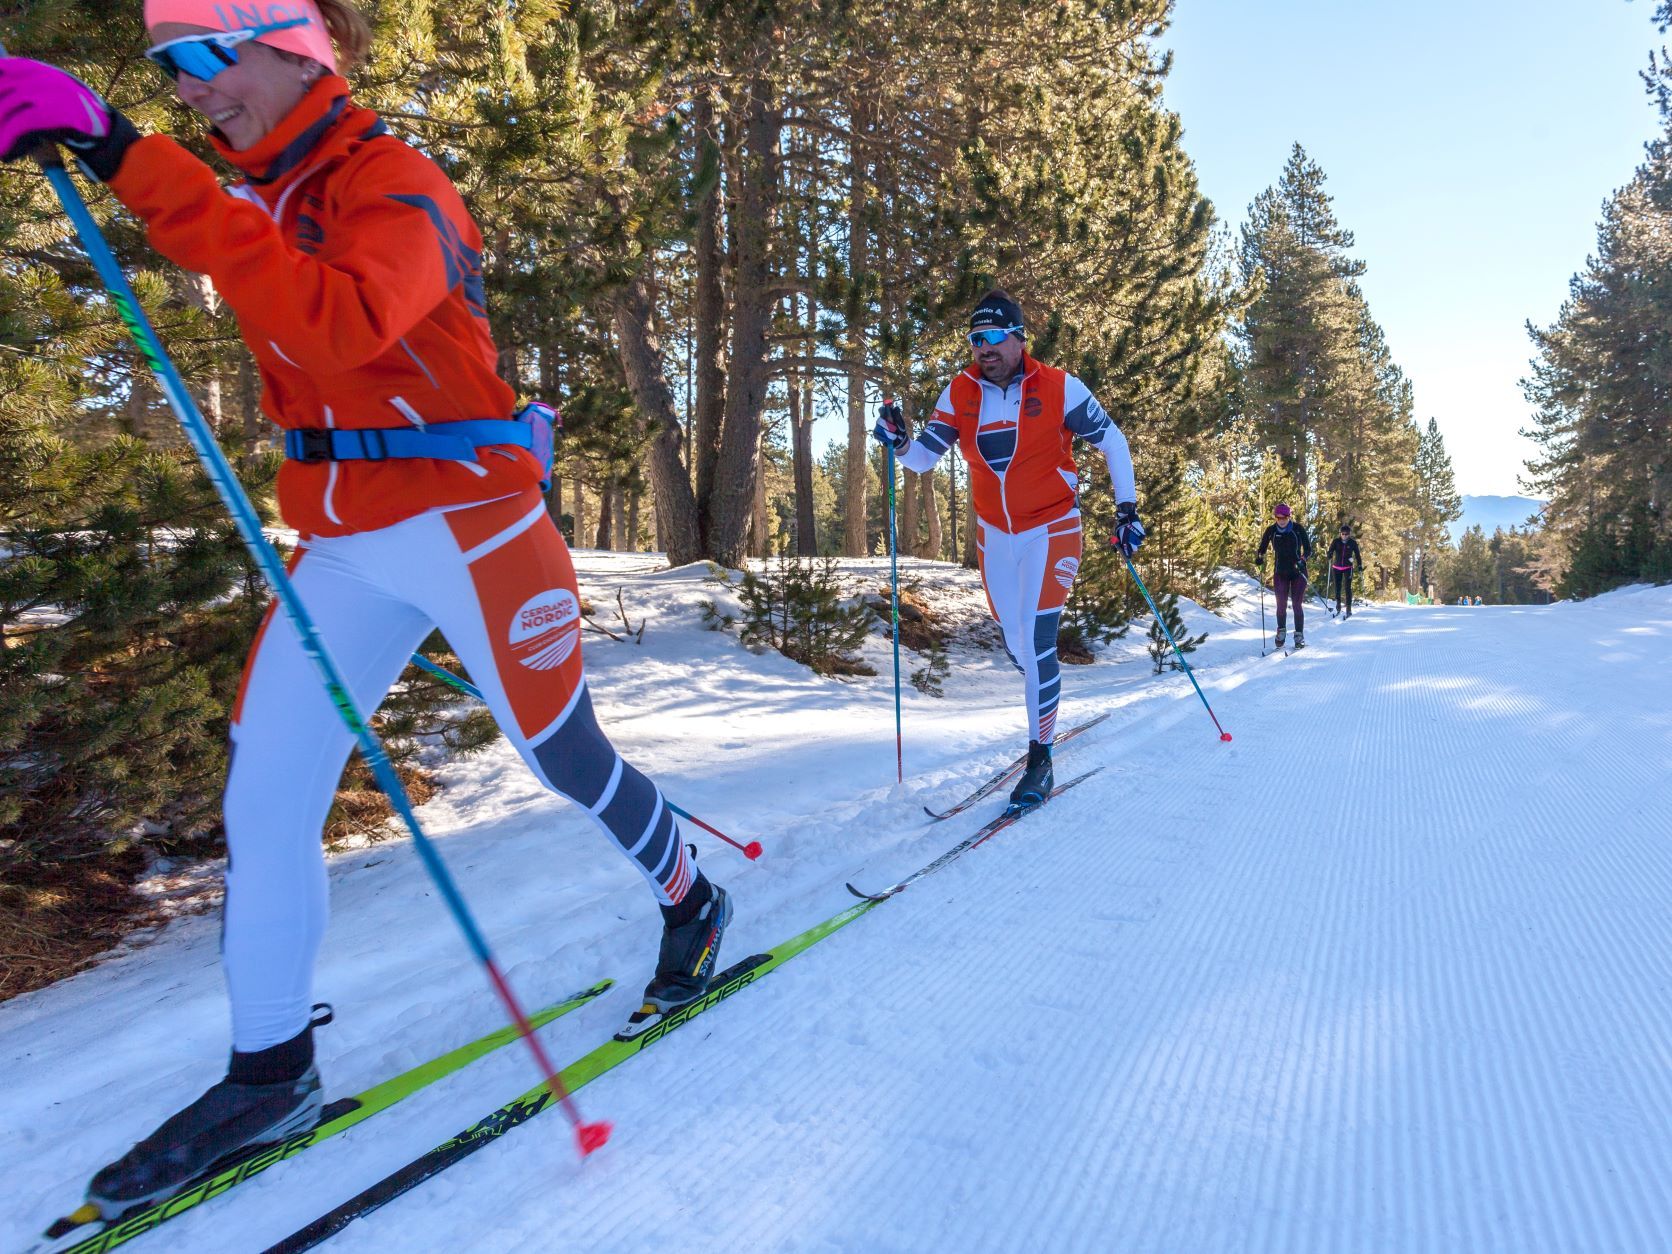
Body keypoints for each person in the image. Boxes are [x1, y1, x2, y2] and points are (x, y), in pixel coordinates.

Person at [0, 1, 731, 1217]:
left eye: (203, 59)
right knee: (268, 792)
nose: (189, 90)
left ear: (294, 47)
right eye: (167, 69)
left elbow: (333, 323)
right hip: (341, 543)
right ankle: (271, 1071)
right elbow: (240, 252)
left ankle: (690, 897)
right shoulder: (268, 188)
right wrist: (113, 152)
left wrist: (125, 147)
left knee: (563, 757)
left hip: (474, 527)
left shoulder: (402, 185)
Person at [873, 290, 1137, 806]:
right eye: (976, 339)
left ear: (1019, 339)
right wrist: (899, 441)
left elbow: (1114, 442)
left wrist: (1127, 510)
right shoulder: (961, 391)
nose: (983, 348)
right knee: (1016, 642)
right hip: (995, 538)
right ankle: (1044, 695)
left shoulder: (1060, 387)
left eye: (994, 336)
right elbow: (924, 458)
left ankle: (1040, 761)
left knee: (1038, 642)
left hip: (1052, 527)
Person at [1257, 503, 1311, 648]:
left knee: (1296, 604)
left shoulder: (1298, 529)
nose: (1281, 520)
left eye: (1284, 517)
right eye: (1278, 517)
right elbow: (1262, 547)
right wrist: (1260, 557)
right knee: (1281, 604)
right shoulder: (1271, 530)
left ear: (1289, 517)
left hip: (1298, 572)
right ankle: (1281, 632)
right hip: (1280, 572)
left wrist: (1303, 560)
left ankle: (1299, 636)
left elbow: (1308, 549)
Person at [1326, 523, 1363, 618]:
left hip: (1348, 567)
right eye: (1343, 534)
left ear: (1349, 534)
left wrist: (1359, 565)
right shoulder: (1336, 541)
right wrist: (1329, 555)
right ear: (1340, 534)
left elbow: (1358, 555)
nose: (1344, 536)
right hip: (1336, 567)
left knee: (1347, 588)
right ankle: (1338, 606)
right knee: (1337, 588)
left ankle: (1348, 608)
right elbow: (1330, 550)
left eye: (1346, 534)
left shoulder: (1352, 543)